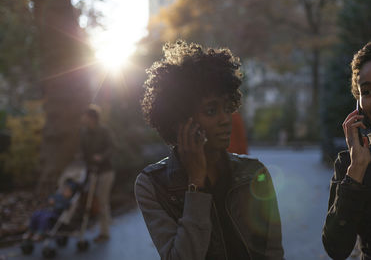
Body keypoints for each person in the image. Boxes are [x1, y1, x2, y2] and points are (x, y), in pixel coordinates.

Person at [135, 40, 284, 260]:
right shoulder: (152, 185)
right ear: (180, 121)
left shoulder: (254, 173)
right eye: (211, 110)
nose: (226, 120)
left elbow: (273, 254)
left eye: (227, 107)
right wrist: (196, 184)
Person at [322, 39, 371, 259]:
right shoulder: (350, 163)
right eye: (366, 91)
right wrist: (356, 170)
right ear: (358, 103)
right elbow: (336, 249)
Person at [80, 105, 114, 243]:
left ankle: (104, 233)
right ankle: (106, 224)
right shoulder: (84, 133)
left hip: (106, 171)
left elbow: (112, 147)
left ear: (92, 118)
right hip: (91, 171)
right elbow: (82, 151)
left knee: (102, 201)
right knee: (93, 201)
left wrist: (102, 157)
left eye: (86, 116)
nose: (84, 119)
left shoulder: (104, 131)